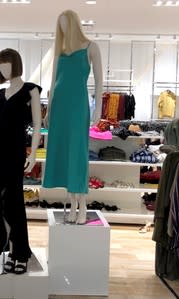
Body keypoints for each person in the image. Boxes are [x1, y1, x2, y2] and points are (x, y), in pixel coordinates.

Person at [0, 48, 42, 275]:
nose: (3, 69)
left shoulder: (30, 90)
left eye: (6, 64)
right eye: (0, 65)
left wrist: (34, 153)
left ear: (16, 64)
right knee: (0, 199)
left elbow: (37, 125)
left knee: (14, 200)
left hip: (16, 151)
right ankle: (10, 248)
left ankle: (21, 252)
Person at [42, 10, 103, 224]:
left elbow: (98, 82)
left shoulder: (91, 47)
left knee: (77, 154)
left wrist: (99, 108)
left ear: (75, 24)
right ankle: (71, 204)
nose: (63, 30)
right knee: (63, 153)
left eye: (66, 25)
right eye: (61, 26)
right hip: (59, 107)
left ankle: (83, 204)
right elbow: (52, 82)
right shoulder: (60, 50)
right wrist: (48, 109)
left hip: (78, 106)